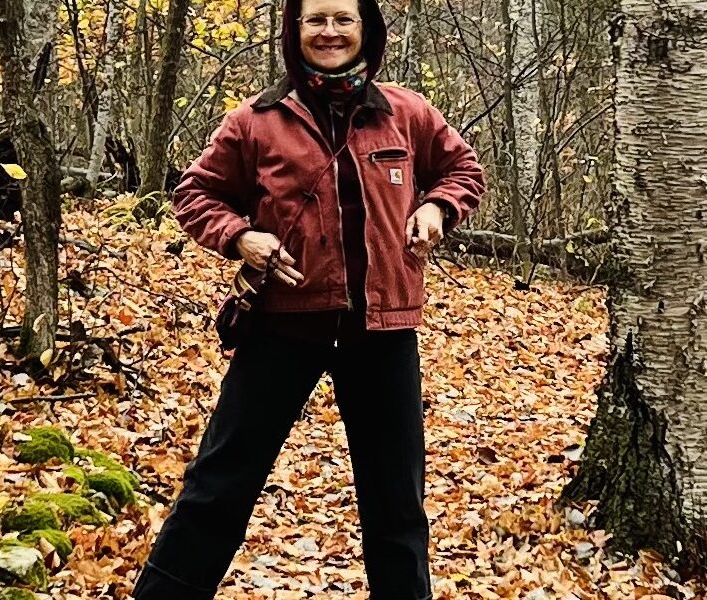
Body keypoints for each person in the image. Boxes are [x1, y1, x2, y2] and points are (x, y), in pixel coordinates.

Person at [133, 0, 484, 598]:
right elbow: (195, 193)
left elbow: (463, 171)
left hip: (383, 330)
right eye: (315, 19)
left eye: (343, 19)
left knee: (396, 505)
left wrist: (435, 206)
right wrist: (241, 236)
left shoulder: (406, 113)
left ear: (365, 30)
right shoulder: (256, 121)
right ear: (294, 31)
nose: (330, 31)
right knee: (220, 485)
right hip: (282, 328)